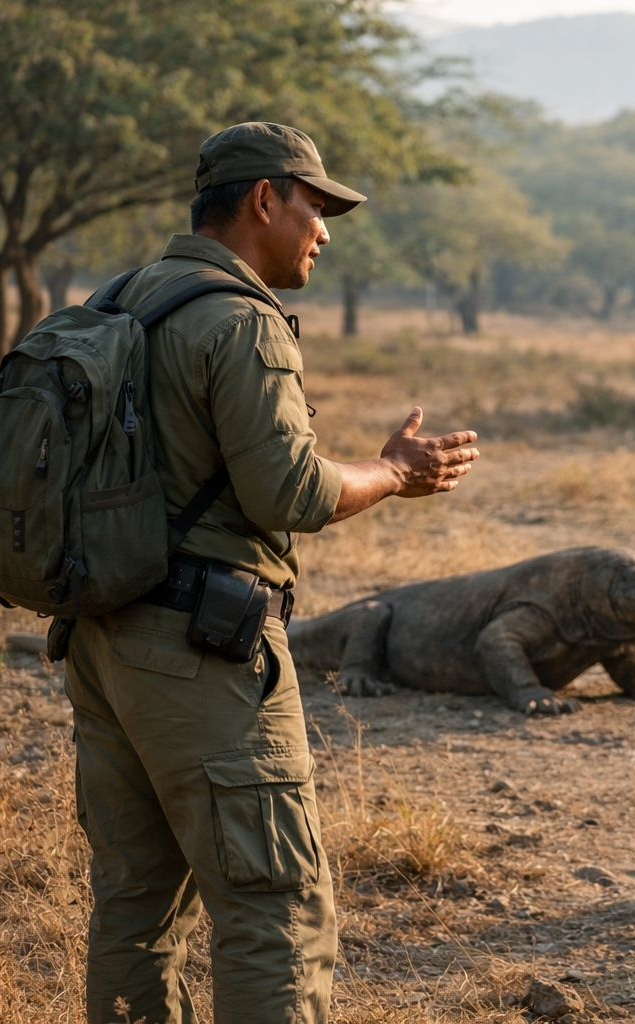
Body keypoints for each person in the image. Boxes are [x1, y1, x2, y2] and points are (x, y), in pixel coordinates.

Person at [63, 121, 481, 1024]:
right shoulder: (239, 318)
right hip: (200, 653)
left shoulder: (121, 297)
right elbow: (289, 490)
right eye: (316, 207)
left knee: (135, 909)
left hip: (100, 640)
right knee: (275, 910)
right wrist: (395, 472)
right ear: (264, 200)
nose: (324, 231)